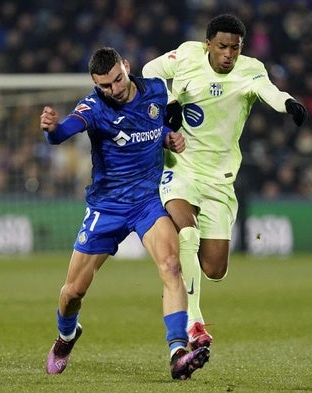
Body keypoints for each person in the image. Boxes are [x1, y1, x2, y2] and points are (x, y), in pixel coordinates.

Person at [40, 47, 210, 380]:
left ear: (127, 68)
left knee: (172, 265)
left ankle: (177, 351)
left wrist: (167, 137)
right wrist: (52, 129)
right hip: (107, 207)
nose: (114, 90)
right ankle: (66, 336)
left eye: (117, 80)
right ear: (96, 85)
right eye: (105, 86)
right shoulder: (94, 107)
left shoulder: (157, 91)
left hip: (147, 202)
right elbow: (65, 132)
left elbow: (149, 126)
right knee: (74, 291)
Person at [142, 14, 307, 350]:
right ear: (208, 45)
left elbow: (269, 90)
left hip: (220, 179)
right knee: (186, 232)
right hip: (181, 166)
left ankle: (181, 277)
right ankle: (193, 322)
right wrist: (168, 103)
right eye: (222, 46)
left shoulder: (251, 70)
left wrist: (288, 103)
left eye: (235, 47)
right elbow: (148, 72)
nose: (229, 53)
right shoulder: (186, 56)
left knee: (215, 269)